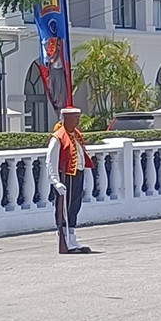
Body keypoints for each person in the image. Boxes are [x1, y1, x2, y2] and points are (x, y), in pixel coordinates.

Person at [47, 106, 94, 254]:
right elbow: (50, 160)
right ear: (66, 119)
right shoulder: (58, 137)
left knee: (74, 206)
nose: (78, 120)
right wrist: (55, 181)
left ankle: (72, 238)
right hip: (66, 176)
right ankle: (64, 238)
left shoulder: (76, 135)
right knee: (64, 209)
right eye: (75, 118)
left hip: (77, 174)